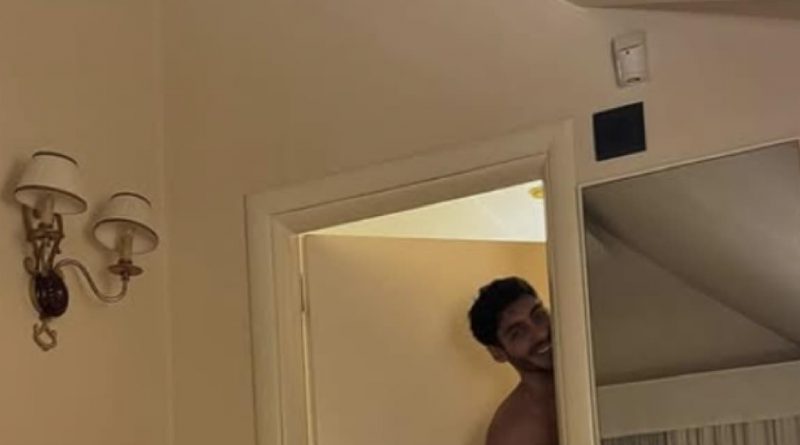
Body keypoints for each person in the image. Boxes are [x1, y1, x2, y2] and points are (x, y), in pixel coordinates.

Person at [468, 277, 558, 445]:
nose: (541, 334)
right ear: (498, 353)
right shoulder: (512, 433)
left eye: (539, 316)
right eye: (518, 333)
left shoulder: (594, 368)